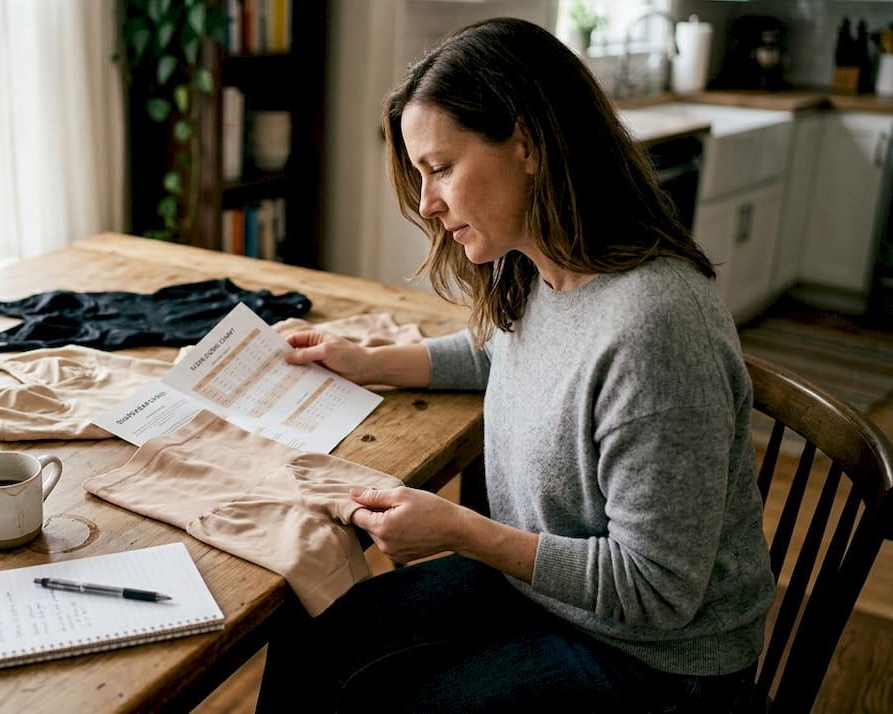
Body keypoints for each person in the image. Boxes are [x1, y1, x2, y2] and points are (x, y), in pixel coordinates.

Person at [255, 17, 776, 713]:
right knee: (307, 634)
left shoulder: (655, 326)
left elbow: (657, 590)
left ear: (526, 145)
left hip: (658, 663)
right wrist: (368, 359)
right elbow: (506, 351)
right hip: (547, 595)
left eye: (440, 168)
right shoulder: (545, 269)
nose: (425, 203)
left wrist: (458, 529)